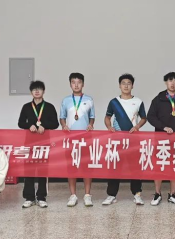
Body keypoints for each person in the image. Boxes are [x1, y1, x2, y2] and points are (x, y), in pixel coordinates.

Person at [147, 72, 175, 206]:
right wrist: (163, 127)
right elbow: (151, 117)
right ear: (165, 82)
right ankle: (157, 193)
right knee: (159, 165)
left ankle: (172, 194)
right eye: (170, 80)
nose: (173, 83)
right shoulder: (159, 99)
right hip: (161, 139)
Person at [103, 74, 148, 206]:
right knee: (115, 166)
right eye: (123, 83)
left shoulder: (138, 101)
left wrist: (137, 126)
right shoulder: (114, 102)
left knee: (135, 167)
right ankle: (111, 195)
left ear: (132, 86)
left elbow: (144, 118)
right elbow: (107, 117)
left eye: (129, 83)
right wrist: (109, 127)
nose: (126, 86)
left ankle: (137, 194)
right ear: (119, 85)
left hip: (133, 140)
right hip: (117, 140)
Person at [18, 80, 59, 209]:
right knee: (28, 170)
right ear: (31, 92)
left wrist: (44, 126)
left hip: (44, 143)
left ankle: (41, 197)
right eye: (34, 89)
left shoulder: (49, 107)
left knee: (42, 170)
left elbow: (56, 124)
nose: (37, 91)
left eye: (39, 89)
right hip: (29, 143)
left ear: (43, 91)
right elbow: (20, 123)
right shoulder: (26, 107)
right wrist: (29, 125)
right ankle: (29, 197)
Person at [60, 73, 96, 208]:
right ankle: (73, 195)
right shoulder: (65, 100)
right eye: (73, 82)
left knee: (86, 166)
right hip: (70, 139)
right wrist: (64, 125)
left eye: (79, 82)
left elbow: (92, 116)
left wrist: (91, 124)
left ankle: (87, 195)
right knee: (71, 166)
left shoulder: (89, 99)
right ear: (70, 84)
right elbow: (62, 117)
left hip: (86, 138)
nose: (76, 85)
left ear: (83, 84)